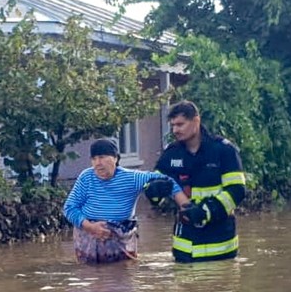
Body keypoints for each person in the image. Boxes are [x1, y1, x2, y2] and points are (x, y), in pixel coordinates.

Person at [150, 100, 247, 263]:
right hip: (184, 251)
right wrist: (153, 190)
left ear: (196, 121)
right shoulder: (171, 154)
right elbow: (153, 191)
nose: (175, 130)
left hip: (221, 249)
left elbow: (237, 190)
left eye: (180, 124)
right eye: (173, 125)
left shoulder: (223, 150)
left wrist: (206, 210)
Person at [64, 137, 188, 264]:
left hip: (121, 240)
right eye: (94, 159)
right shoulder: (86, 177)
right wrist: (90, 227)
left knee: (123, 273)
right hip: (88, 239)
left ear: (115, 158)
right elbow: (69, 208)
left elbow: (169, 182)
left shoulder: (132, 178)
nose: (97, 163)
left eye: (101, 157)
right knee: (90, 275)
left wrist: (185, 207)